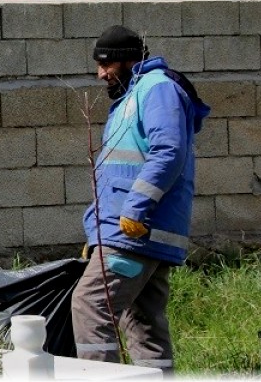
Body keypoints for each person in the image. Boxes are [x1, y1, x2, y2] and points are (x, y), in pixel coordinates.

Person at [71, 25, 211, 373]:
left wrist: (134, 210)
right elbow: (117, 172)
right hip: (132, 231)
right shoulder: (133, 95)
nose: (100, 73)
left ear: (128, 61)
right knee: (144, 323)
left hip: (136, 230)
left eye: (106, 65)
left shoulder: (157, 89)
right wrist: (96, 232)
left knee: (90, 305)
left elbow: (169, 151)